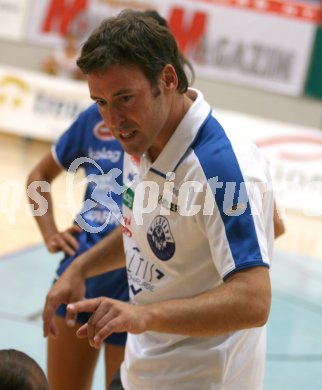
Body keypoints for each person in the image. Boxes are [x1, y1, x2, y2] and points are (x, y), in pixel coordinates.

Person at [42, 10, 277, 389]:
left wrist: (146, 316)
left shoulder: (220, 167)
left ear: (167, 79)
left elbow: (254, 300)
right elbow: (145, 231)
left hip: (199, 378)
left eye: (124, 98)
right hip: (145, 368)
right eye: (100, 102)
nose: (113, 120)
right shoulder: (145, 140)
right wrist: (80, 268)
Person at [26, 102, 128, 390]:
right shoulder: (91, 119)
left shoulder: (161, 126)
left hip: (135, 282)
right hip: (78, 276)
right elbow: (38, 177)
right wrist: (50, 234)